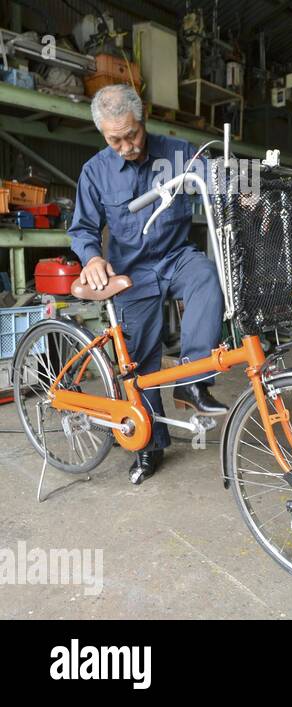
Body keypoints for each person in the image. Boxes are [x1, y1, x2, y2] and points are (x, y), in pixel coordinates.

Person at [68, 84, 227, 484]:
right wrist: (92, 258)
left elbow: (220, 182)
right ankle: (150, 446)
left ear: (144, 120)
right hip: (131, 274)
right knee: (140, 361)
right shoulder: (95, 172)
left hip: (176, 257)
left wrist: (241, 195)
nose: (126, 146)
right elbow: (83, 229)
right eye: (114, 139)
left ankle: (192, 383)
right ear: (103, 135)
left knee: (207, 277)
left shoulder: (178, 153)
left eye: (132, 135)